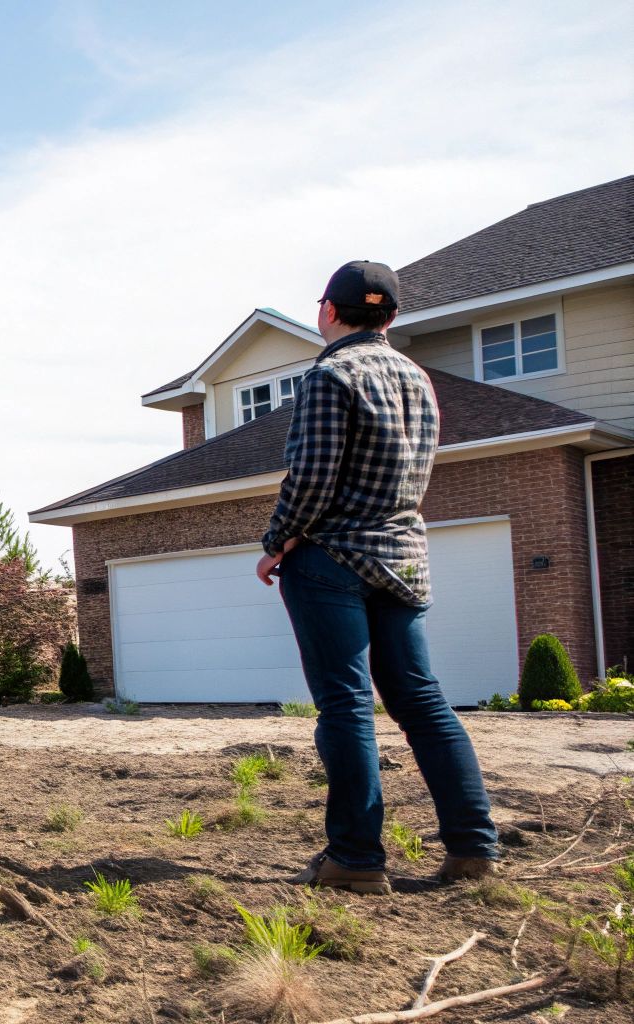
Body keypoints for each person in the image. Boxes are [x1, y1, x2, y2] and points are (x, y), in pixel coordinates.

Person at [256, 260, 499, 895]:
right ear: (389, 317)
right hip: (404, 557)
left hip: (332, 558)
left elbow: (311, 477)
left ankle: (356, 860)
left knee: (346, 705)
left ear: (329, 312)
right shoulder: (418, 378)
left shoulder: (330, 374)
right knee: (423, 702)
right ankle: (474, 849)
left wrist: (277, 542)